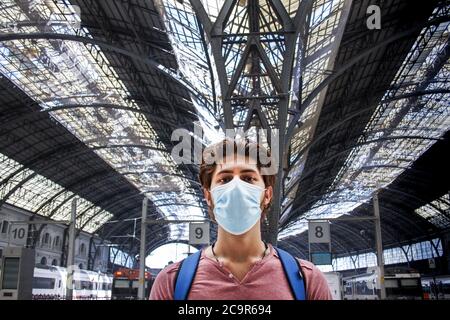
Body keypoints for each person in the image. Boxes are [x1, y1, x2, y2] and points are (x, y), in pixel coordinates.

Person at [150, 138, 332, 300]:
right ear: (208, 196)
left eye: (248, 178)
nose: (236, 186)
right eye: (225, 179)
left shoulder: (308, 281)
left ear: (267, 195)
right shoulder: (170, 283)